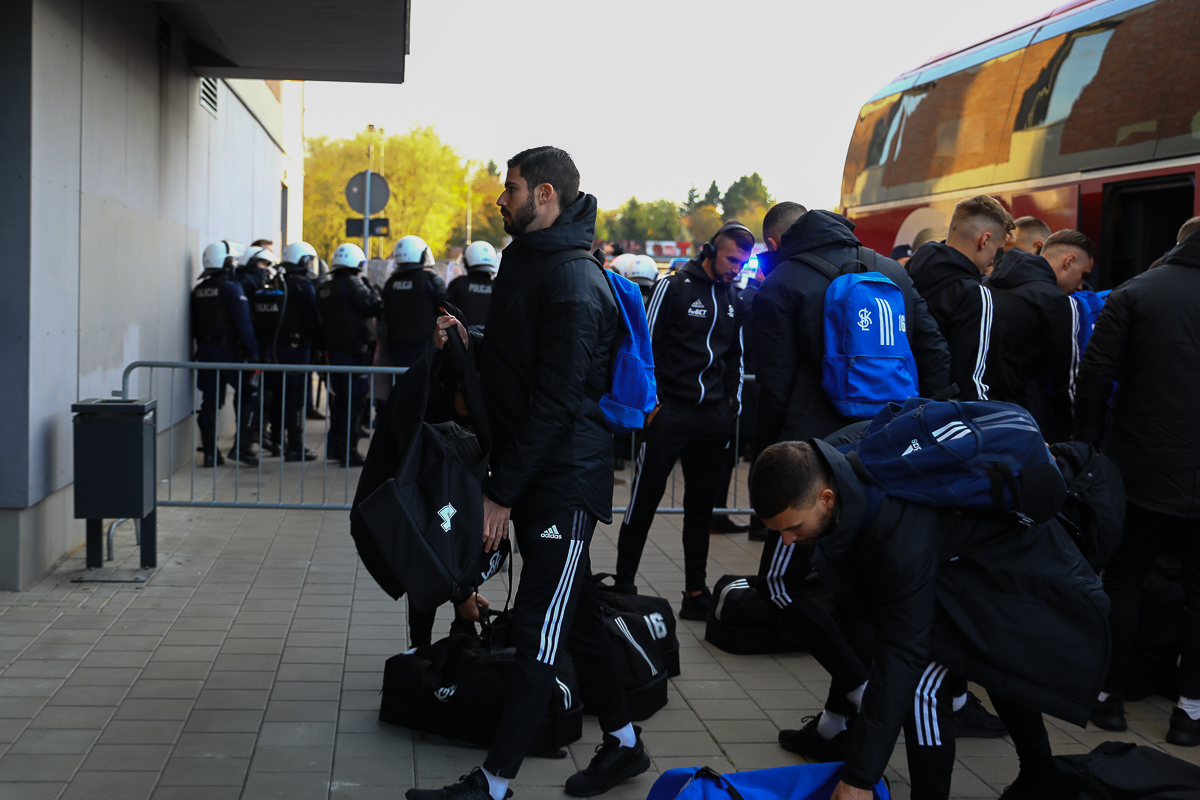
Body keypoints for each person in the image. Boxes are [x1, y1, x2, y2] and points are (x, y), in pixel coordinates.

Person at [411, 146, 647, 800]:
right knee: (574, 617)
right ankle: (625, 744)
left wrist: (500, 493)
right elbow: (522, 366)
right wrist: (466, 342)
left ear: (545, 195)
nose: (500, 198)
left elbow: (557, 400)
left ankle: (493, 783)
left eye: (509, 188)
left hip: (561, 481)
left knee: (542, 628)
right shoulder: (535, 265)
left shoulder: (572, 281)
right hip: (540, 470)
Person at [748, 203, 1002, 759]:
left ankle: (860, 694)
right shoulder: (891, 270)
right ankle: (838, 723)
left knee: (780, 582)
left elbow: (772, 387)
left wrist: (767, 467)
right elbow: (934, 355)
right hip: (889, 453)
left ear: (779, 240)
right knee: (858, 595)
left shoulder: (781, 284)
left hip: (814, 463)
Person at [749, 440, 1108, 800]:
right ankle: (1038, 771)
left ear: (827, 499)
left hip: (1022, 577)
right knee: (994, 665)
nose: (788, 540)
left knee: (925, 687)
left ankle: (1033, 772)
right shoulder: (830, 462)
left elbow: (900, 653)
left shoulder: (897, 533)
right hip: (971, 566)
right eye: (777, 530)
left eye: (792, 527)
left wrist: (859, 778)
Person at [1076, 220, 1200, 746]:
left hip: (1141, 466)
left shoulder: (1136, 292)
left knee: (1123, 577)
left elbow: (1095, 374)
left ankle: (1108, 699)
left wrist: (1087, 446)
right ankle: (1189, 713)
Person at [614, 221, 751, 618]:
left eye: (742, 262)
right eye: (731, 259)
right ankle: (625, 584)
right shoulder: (674, 286)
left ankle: (695, 593)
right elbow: (645, 342)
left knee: (701, 509)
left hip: (713, 419)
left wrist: (731, 406)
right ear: (711, 250)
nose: (736, 268)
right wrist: (651, 405)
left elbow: (735, 359)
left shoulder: (734, 297)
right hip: (669, 412)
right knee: (644, 500)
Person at [983, 229, 1093, 443]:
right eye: (1084, 275)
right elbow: (1066, 379)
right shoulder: (1057, 301)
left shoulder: (986, 285)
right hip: (1025, 417)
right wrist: (1083, 433)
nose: (1080, 286)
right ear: (1069, 261)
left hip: (979, 410)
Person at [908, 195, 1014, 401]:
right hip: (938, 414)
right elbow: (971, 378)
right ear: (984, 240)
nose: (994, 259)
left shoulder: (907, 271)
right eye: (998, 250)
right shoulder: (975, 293)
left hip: (900, 404)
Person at [191, 240, 259, 467]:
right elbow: (244, 324)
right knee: (248, 394)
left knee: (209, 402)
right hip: (230, 353)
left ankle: (210, 454)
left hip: (206, 352)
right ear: (225, 262)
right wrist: (254, 354)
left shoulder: (199, 290)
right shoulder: (231, 288)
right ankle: (242, 448)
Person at [316, 243, 382, 467]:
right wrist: (376, 292)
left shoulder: (325, 287)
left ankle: (334, 447)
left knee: (339, 401)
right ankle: (349, 450)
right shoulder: (353, 284)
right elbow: (371, 306)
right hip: (354, 354)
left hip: (334, 353)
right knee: (355, 402)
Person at [259, 241, 323, 462]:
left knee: (278, 396)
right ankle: (295, 446)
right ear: (303, 260)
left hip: (275, 349)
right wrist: (319, 344)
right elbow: (313, 319)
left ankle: (277, 442)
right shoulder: (302, 285)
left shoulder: (276, 280)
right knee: (295, 399)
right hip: (296, 350)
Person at [381, 235, 446, 369]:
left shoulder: (390, 282)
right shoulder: (429, 279)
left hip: (396, 347)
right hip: (424, 347)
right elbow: (446, 306)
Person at [446, 240, 499, 327]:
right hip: (492, 339)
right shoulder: (499, 285)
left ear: (466, 261)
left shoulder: (458, 284)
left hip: (463, 338)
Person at [987, 216, 1050, 285]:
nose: (1006, 258)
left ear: (1038, 247)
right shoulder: (1051, 291)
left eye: (1013, 252)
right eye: (1006, 253)